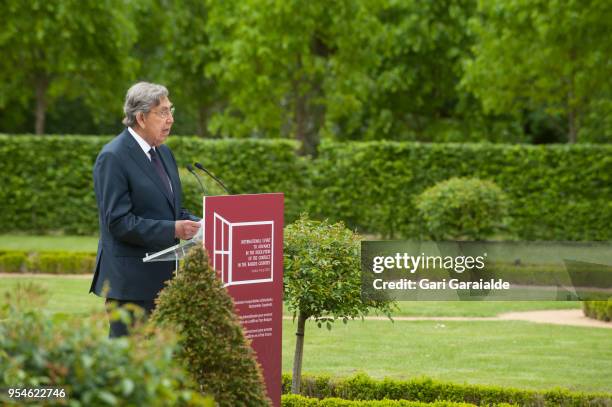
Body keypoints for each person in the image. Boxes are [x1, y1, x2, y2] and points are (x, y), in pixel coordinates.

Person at [90, 82, 201, 338]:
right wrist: (173, 229)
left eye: (171, 111)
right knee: (128, 365)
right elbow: (118, 222)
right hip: (130, 285)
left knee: (160, 366)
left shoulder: (164, 153)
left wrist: (202, 224)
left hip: (166, 281)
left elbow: (172, 210)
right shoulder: (113, 157)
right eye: (162, 112)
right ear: (140, 117)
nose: (171, 119)